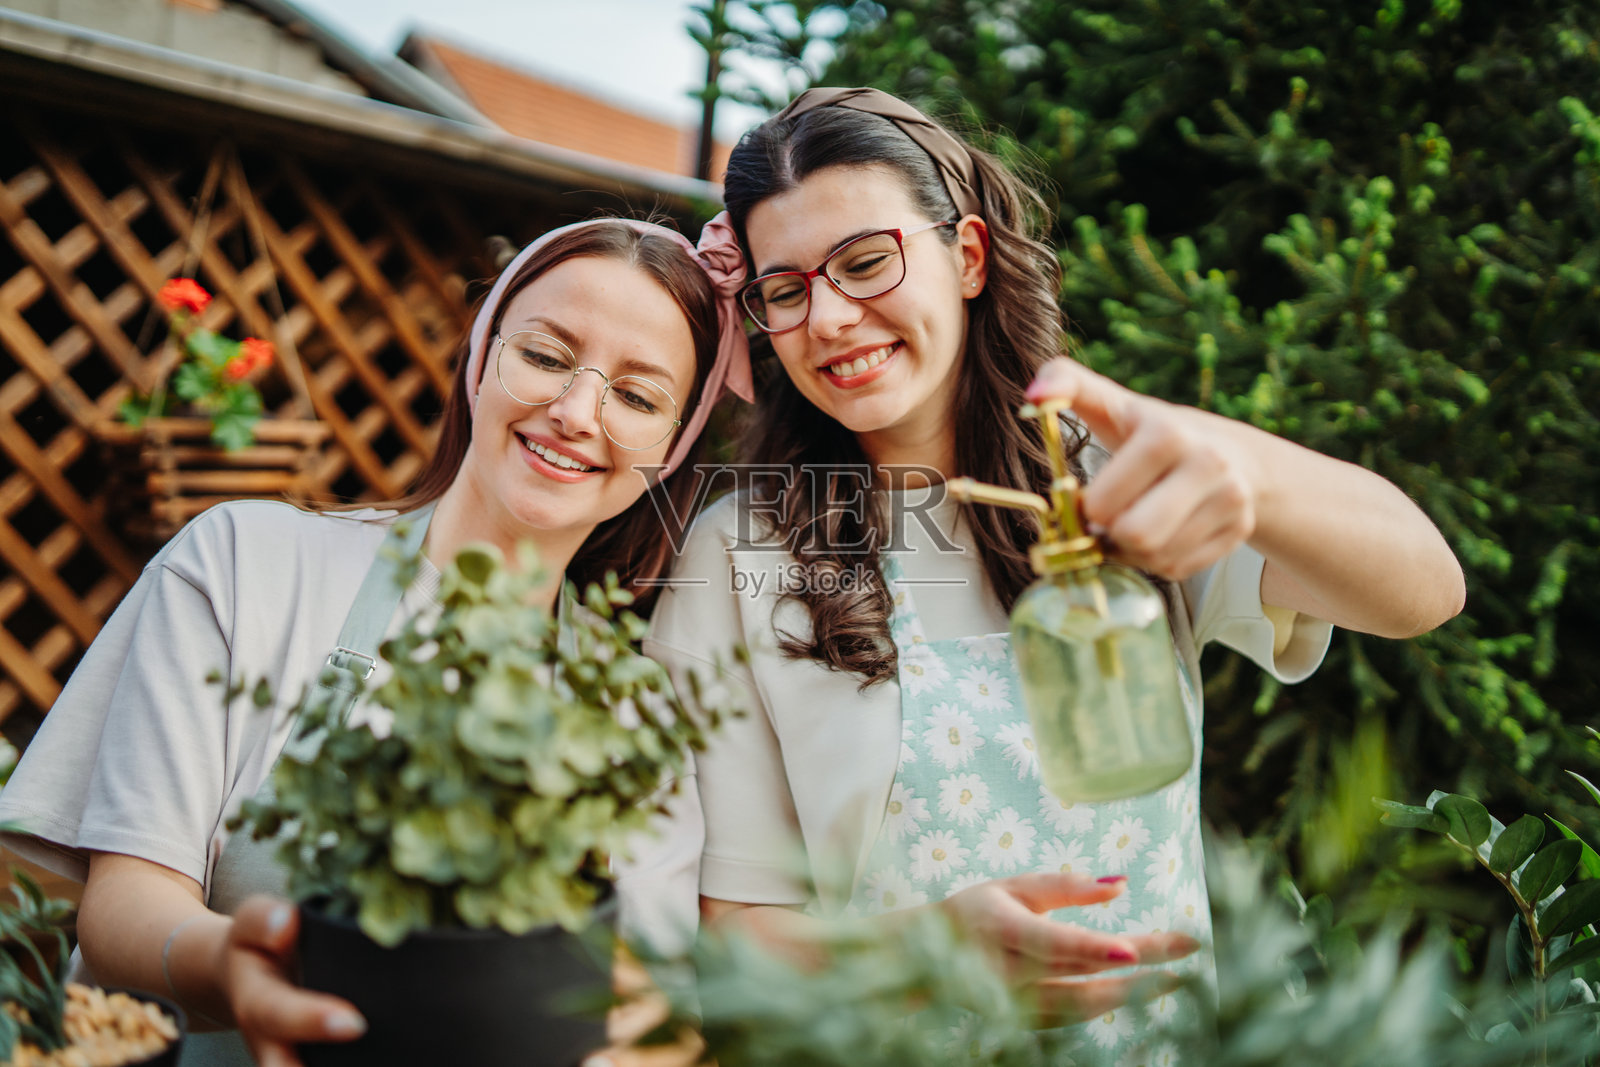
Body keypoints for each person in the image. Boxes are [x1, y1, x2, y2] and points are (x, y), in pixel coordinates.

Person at [643, 87, 1465, 1062]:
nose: (826, 317)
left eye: (865, 262)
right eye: (785, 290)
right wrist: (925, 950)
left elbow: (1423, 590)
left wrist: (1241, 472)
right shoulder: (740, 550)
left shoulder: (1116, 480)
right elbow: (732, 932)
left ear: (968, 255)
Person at [0, 216, 753, 1067]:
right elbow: (122, 904)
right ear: (481, 359)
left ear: (673, 448)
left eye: (639, 397)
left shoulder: (638, 715)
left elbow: (648, 1018)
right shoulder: (245, 563)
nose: (576, 412)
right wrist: (239, 966)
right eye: (545, 356)